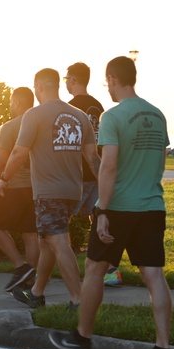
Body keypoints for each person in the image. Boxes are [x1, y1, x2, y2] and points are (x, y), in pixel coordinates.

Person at [48, 56, 174, 349]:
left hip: (119, 207)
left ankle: (83, 339)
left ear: (112, 79)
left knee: (94, 268)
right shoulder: (157, 115)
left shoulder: (113, 117)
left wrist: (102, 209)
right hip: (151, 205)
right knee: (154, 276)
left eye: (107, 81)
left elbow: (109, 165)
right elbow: (159, 162)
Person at [0, 68, 98, 309]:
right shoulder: (79, 116)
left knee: (59, 241)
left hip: (48, 191)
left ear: (39, 87)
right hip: (73, 191)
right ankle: (36, 292)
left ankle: (78, 301)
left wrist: (3, 178)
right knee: (47, 242)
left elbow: (19, 152)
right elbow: (93, 157)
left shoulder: (34, 115)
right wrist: (106, 185)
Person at [0, 86, 40, 292]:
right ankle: (30, 280)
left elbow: (0, 162)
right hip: (36, 187)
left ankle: (20, 267)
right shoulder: (40, 125)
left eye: (10, 102)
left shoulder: (10, 127)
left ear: (16, 102)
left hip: (13, 187)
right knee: (30, 234)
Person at [65, 62, 118, 285]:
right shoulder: (99, 106)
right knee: (99, 220)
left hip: (76, 174)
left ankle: (63, 266)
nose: (66, 82)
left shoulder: (69, 109)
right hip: (98, 172)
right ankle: (110, 270)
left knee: (60, 224)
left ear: (74, 80)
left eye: (66, 78)